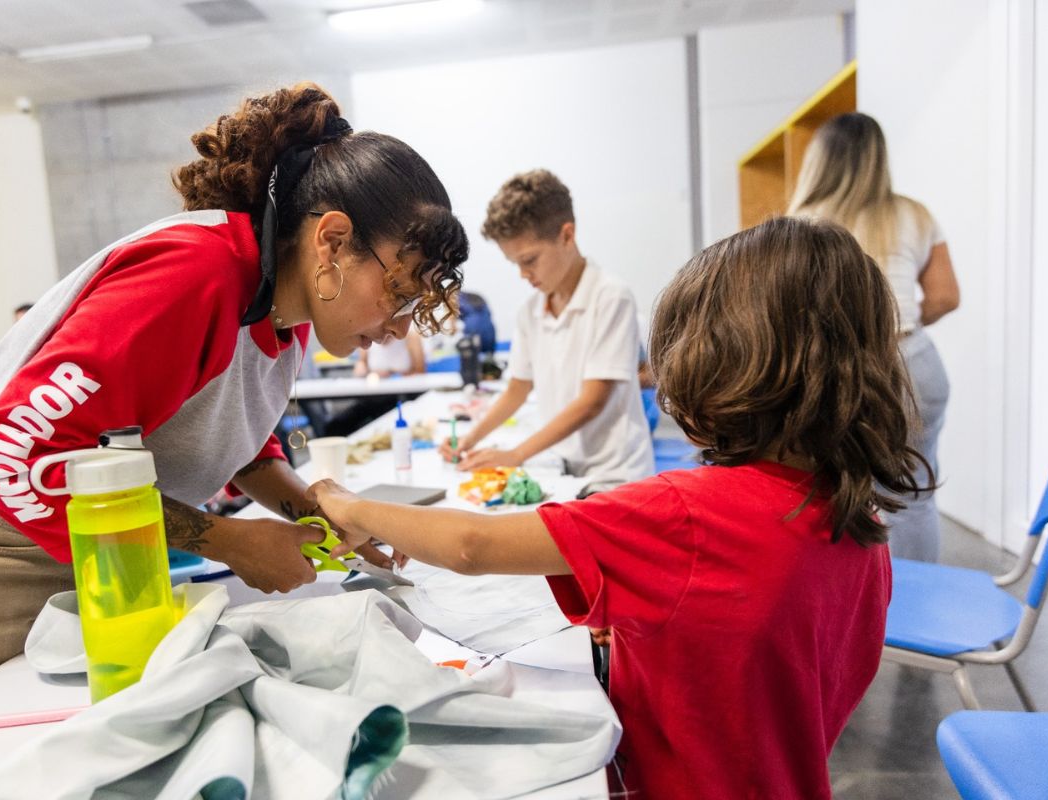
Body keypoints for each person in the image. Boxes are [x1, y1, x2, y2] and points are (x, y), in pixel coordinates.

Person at [0, 83, 469, 738]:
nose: (395, 328)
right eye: (397, 292)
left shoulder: (285, 313)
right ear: (332, 242)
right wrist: (230, 542)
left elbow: (237, 434)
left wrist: (312, 510)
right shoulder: (196, 273)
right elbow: (13, 458)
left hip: (96, 540)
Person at [310, 217, 931, 799]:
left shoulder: (687, 514)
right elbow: (767, 657)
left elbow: (474, 546)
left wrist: (351, 506)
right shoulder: (859, 522)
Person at [788, 111, 959, 562]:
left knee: (842, 491)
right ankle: (915, 611)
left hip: (844, 368)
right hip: (917, 361)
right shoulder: (915, 214)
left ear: (819, 162)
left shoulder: (803, 223)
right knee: (915, 495)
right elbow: (945, 297)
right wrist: (894, 316)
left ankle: (864, 608)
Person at [441, 170, 653, 489]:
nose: (524, 274)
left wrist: (515, 454)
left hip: (616, 476)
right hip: (566, 468)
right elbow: (517, 390)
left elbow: (592, 401)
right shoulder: (531, 312)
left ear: (566, 236)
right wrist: (468, 440)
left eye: (530, 260)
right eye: (516, 264)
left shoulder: (610, 297)